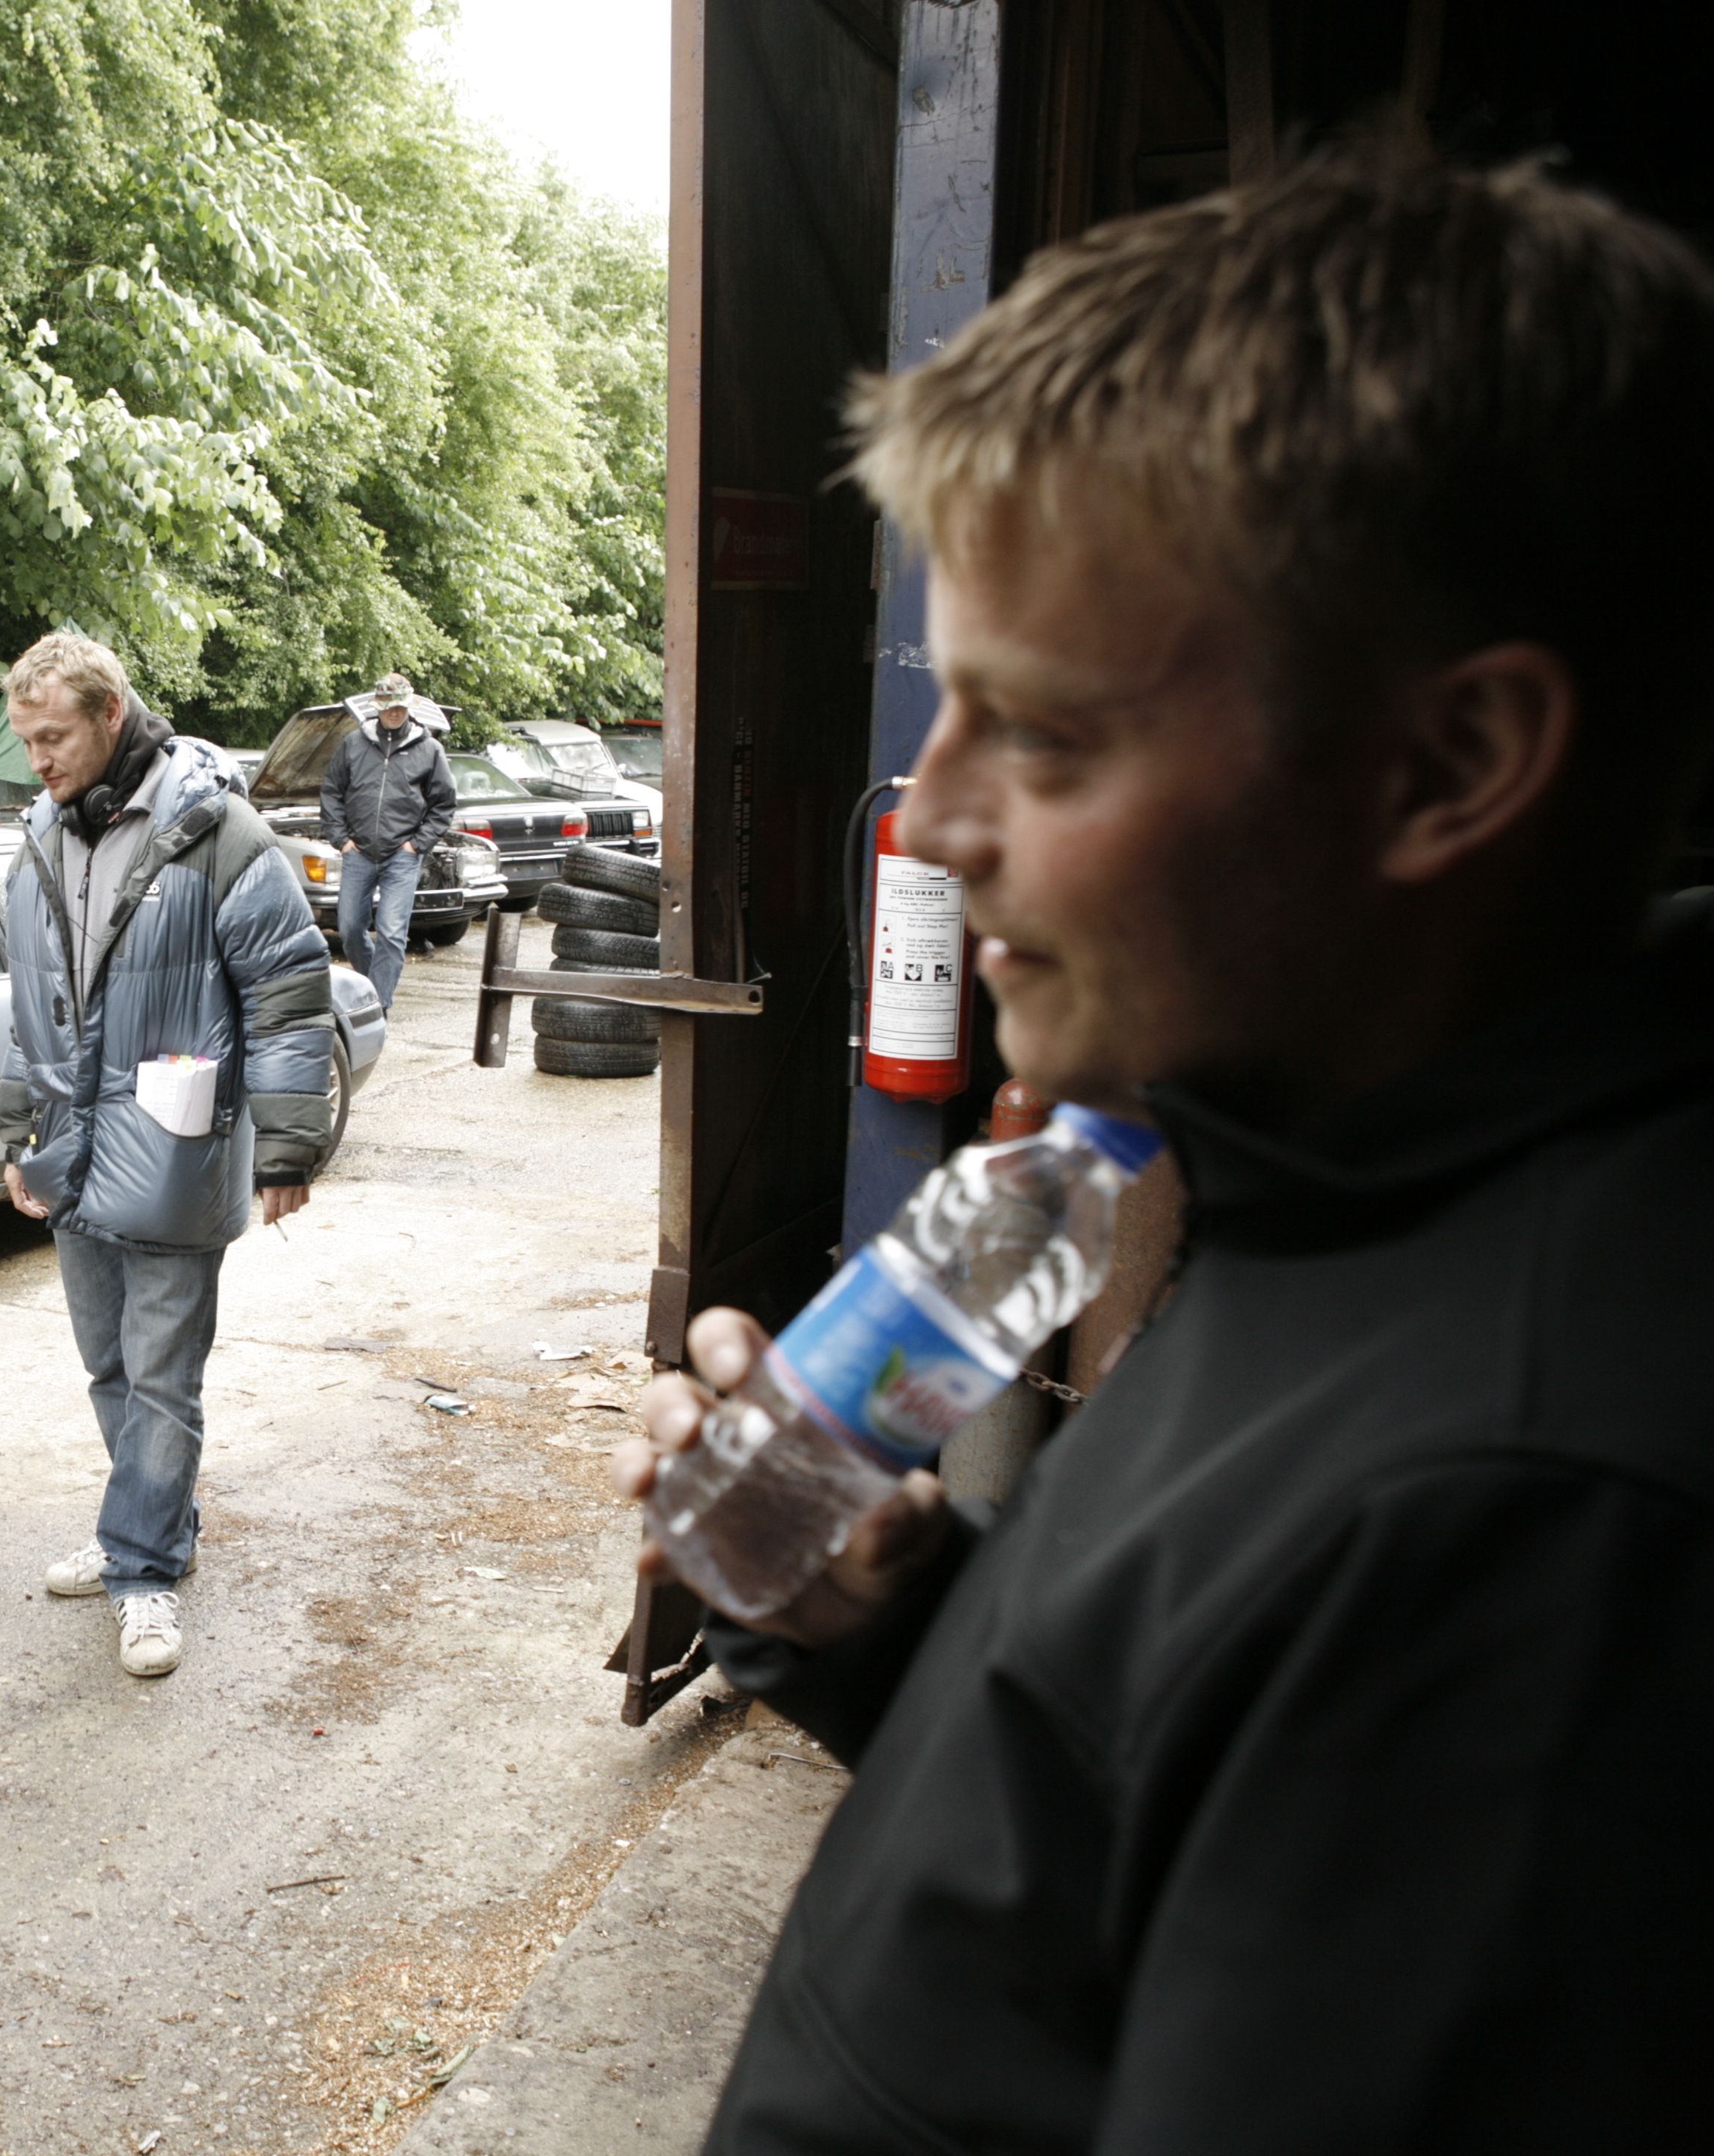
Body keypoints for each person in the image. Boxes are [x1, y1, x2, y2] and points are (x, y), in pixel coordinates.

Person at [619, 152, 1714, 2150]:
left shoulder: (1533, 1530)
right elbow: (1164, 1788)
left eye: (1037, 734)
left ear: (1450, 766)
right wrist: (885, 1620)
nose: (933, 821)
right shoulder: (1336, 1195)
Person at [0, 632, 335, 1678]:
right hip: (74, 1156)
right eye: (25, 741)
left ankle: (141, 1571)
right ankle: (154, 1532)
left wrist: (286, 1147)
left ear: (110, 714)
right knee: (108, 1366)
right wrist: (20, 1131)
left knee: (161, 1379)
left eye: (52, 737)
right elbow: (32, 1014)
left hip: (178, 1156)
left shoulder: (219, 834)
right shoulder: (40, 838)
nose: (38, 760)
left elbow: (287, 995)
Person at [315, 672, 456, 1008]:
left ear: (409, 707)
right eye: (388, 706)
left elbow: (444, 804)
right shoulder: (354, 744)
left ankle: (376, 1010)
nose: (394, 713)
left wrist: (417, 845)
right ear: (377, 706)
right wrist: (342, 840)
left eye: (400, 707)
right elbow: (331, 793)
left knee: (392, 933)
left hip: (402, 856)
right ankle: (372, 991)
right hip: (359, 853)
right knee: (349, 931)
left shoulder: (429, 749)